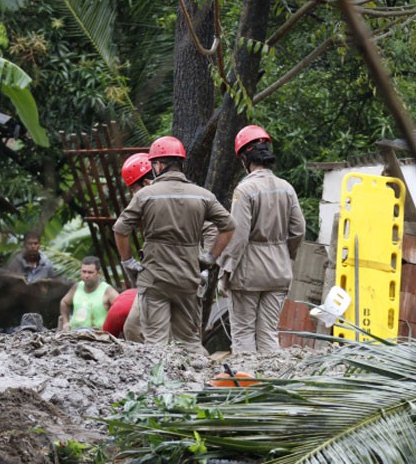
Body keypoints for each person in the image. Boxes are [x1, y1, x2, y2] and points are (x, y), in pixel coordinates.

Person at [113, 136, 236, 354]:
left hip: (155, 279)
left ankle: (160, 384)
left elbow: (120, 229)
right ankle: (199, 382)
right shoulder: (203, 196)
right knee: (189, 342)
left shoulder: (145, 196)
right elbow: (228, 226)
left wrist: (128, 261)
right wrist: (210, 258)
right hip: (188, 278)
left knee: (155, 344)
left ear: (158, 165)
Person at [217, 125, 305, 353]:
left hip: (248, 274)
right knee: (268, 334)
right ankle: (271, 384)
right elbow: (299, 230)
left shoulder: (245, 190)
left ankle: (246, 387)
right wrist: (284, 255)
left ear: (244, 158)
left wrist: (225, 271)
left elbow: (238, 236)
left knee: (244, 333)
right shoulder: (287, 188)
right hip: (279, 272)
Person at [59, 256, 119, 330]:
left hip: (98, 337)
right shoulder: (77, 286)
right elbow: (64, 302)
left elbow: (121, 309)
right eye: (84, 272)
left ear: (98, 273)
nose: (86, 275)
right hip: (74, 335)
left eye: (90, 272)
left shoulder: (108, 291)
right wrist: (66, 322)